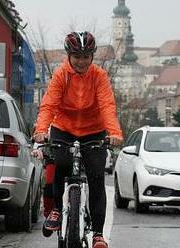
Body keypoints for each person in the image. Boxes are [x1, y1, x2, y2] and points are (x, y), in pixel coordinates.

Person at [33, 31, 123, 248]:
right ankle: (56, 209)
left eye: (86, 56)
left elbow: (107, 106)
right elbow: (49, 105)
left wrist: (114, 133)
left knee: (95, 177)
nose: (81, 61)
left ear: (92, 56)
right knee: (61, 165)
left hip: (94, 131)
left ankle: (98, 235)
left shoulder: (99, 76)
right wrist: (41, 130)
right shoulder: (61, 75)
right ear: (69, 56)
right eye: (77, 57)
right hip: (64, 128)